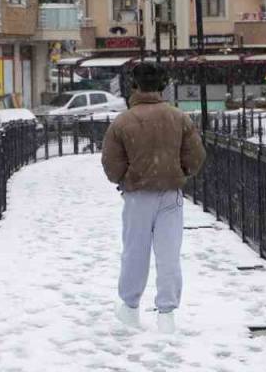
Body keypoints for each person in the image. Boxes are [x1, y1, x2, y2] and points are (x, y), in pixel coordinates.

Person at [100, 62, 206, 334]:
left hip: (137, 195)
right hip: (170, 192)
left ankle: (130, 307)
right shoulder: (178, 117)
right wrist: (179, 171)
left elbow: (111, 165)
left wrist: (126, 177)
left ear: (134, 85)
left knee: (135, 251)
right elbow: (195, 157)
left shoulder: (123, 121)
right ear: (162, 85)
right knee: (168, 253)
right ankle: (166, 314)